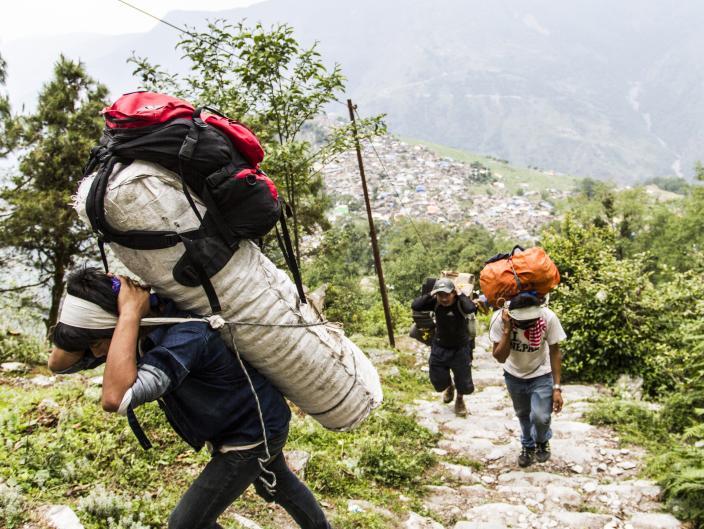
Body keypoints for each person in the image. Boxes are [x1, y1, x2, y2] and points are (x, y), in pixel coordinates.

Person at [49, 267, 332, 529]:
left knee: (186, 524)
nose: (97, 355)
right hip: (250, 421)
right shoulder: (138, 329)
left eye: (98, 343)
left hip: (251, 434)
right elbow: (58, 363)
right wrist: (111, 313)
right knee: (276, 483)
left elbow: (115, 399)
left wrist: (128, 315)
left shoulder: (186, 336)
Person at [489, 292, 566, 467]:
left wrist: (557, 387)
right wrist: (508, 330)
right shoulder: (499, 320)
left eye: (531, 321)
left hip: (541, 373)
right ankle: (528, 445)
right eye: (523, 321)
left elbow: (555, 351)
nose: (527, 325)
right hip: (513, 375)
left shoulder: (548, 317)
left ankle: (542, 439)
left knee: (540, 417)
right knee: (523, 414)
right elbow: (500, 357)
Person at [411, 277, 477, 417]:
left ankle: (459, 400)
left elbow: (471, 308)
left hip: (460, 348)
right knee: (437, 378)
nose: (444, 298)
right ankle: (449, 386)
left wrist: (461, 293)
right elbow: (416, 305)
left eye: (447, 294)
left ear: (453, 293)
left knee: (463, 379)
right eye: (440, 295)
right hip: (440, 347)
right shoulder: (435, 302)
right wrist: (431, 294)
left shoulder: (460, 302)